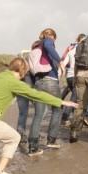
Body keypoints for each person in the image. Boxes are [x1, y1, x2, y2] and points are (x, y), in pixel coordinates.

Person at [27, 28, 65, 156]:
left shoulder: (37, 48)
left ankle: (32, 147)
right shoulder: (47, 41)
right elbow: (49, 44)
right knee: (58, 109)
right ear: (52, 35)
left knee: (38, 115)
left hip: (38, 83)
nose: (54, 40)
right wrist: (60, 62)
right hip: (50, 81)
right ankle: (51, 140)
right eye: (54, 38)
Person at [60, 34, 85, 127]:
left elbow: (63, 63)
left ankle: (78, 117)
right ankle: (65, 118)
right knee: (74, 98)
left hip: (69, 77)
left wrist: (63, 72)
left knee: (76, 97)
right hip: (76, 76)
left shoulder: (71, 51)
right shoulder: (82, 51)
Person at [16, 42, 38, 143]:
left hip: (20, 88)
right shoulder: (35, 58)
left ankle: (20, 134)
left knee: (23, 113)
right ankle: (34, 133)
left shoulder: (23, 60)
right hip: (30, 87)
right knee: (41, 110)